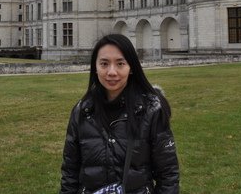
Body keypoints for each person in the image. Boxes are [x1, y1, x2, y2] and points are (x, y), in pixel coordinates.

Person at [60, 34, 180, 194]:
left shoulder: (151, 111)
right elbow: (70, 173)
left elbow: (168, 175)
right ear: (95, 67)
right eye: (104, 64)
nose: (111, 72)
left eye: (120, 64)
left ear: (131, 67)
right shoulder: (81, 111)